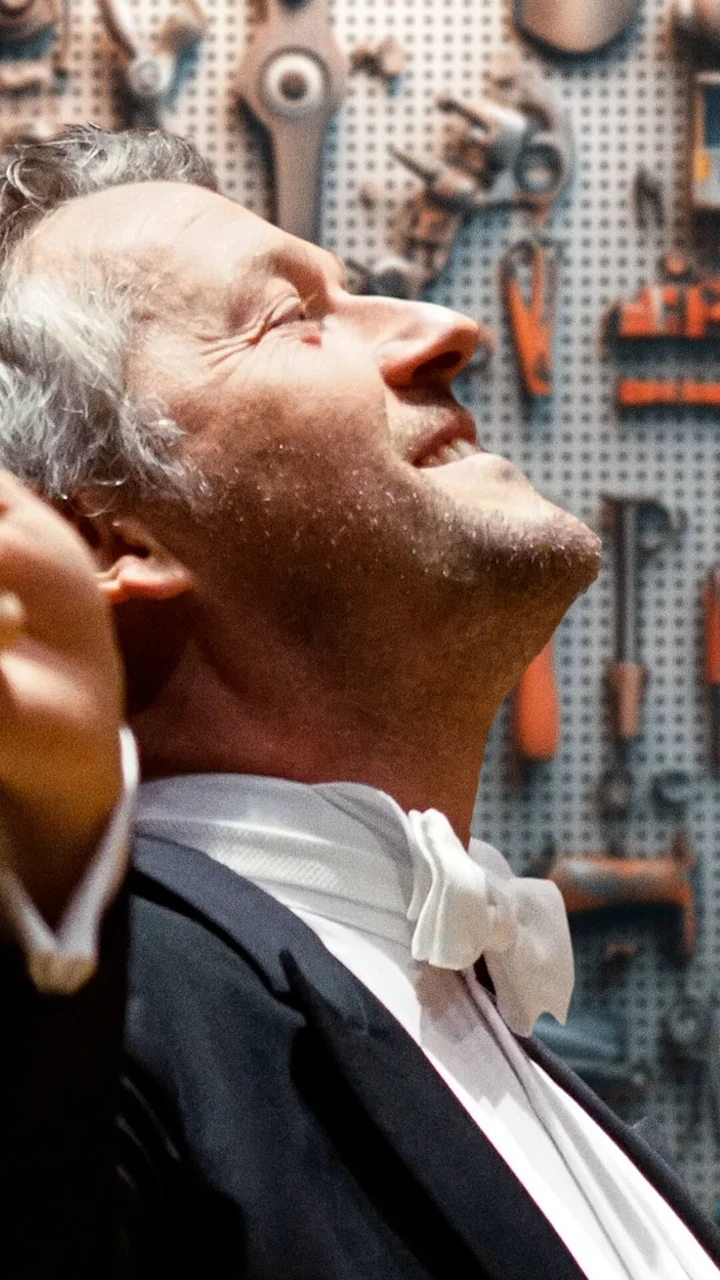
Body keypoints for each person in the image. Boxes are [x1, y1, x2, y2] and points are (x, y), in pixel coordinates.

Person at [0, 124, 715, 1280]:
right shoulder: (101, 1040)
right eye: (294, 314)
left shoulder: (512, 1054)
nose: (448, 328)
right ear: (100, 531)